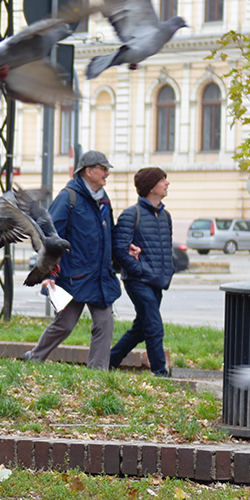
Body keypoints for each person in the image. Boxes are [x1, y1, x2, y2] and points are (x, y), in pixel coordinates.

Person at [21, 149, 121, 369]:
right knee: (65, 325)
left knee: (105, 324)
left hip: (100, 278)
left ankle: (97, 374)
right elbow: (50, 236)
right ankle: (34, 357)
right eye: (103, 169)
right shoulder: (69, 198)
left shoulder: (104, 201)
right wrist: (48, 274)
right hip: (72, 277)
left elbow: (109, 235)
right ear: (88, 171)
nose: (107, 174)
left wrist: (124, 251)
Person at [109, 167, 174, 376]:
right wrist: (139, 269)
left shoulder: (166, 216)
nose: (167, 183)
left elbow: (167, 247)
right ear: (151, 187)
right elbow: (119, 249)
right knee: (154, 326)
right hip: (138, 282)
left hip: (157, 281)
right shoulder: (131, 214)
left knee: (140, 328)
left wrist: (167, 271)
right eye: (163, 180)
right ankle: (160, 374)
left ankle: (110, 361)